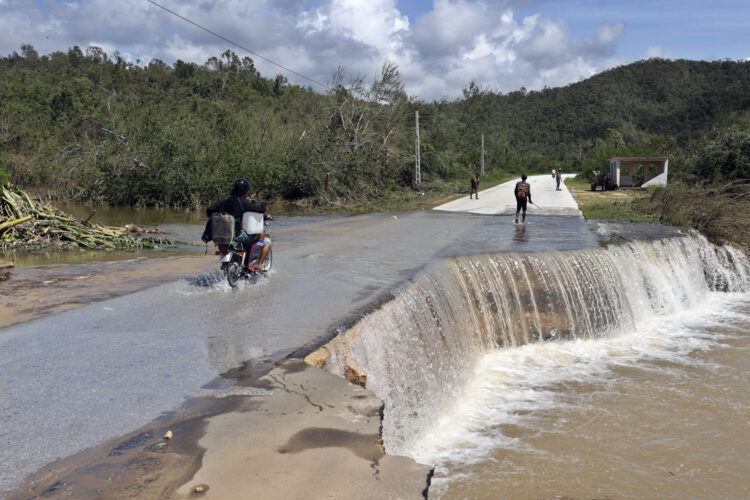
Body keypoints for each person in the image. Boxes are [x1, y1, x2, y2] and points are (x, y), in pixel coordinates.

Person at [206, 178, 272, 269]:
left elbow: (209, 210)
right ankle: (256, 264)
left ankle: (226, 264)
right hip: (236, 235)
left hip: (220, 235)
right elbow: (260, 210)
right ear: (244, 191)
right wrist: (264, 205)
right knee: (260, 235)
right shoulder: (243, 203)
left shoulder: (224, 200)